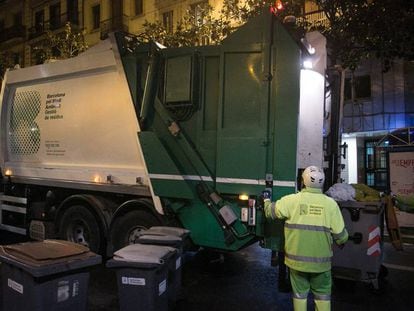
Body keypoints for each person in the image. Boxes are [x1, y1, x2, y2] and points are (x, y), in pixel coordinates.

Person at [263, 166, 348, 311]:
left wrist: (266, 200)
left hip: (297, 264)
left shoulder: (291, 201)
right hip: (321, 265)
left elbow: (270, 212)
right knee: (323, 296)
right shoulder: (331, 204)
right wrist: (341, 241)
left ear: (303, 182)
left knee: (299, 295)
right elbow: (341, 236)